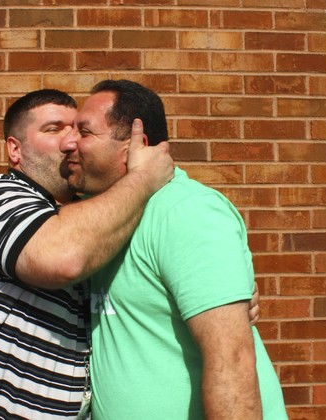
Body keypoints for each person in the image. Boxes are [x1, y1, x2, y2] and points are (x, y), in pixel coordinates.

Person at [0, 89, 175, 419]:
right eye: (54, 129)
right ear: (15, 149)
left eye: (77, 130)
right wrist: (144, 177)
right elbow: (62, 257)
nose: (70, 142)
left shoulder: (85, 223)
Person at [59, 79, 287, 419]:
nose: (68, 143)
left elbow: (232, 361)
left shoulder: (184, 210)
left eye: (85, 132)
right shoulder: (96, 218)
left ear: (138, 144)